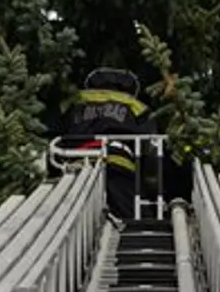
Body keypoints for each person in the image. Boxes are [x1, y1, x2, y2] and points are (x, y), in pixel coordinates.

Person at [61, 67, 157, 220]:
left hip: (80, 160)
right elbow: (148, 139)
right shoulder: (134, 104)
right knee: (129, 209)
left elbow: (63, 127)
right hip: (119, 161)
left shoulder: (78, 101)